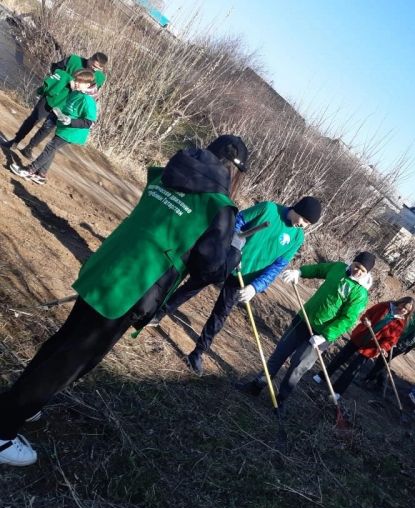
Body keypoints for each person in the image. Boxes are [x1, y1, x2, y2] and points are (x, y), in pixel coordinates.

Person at [0, 134, 248, 467]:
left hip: (109, 265)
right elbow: (209, 269)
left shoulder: (169, 173)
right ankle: (4, 432)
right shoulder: (218, 206)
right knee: (73, 359)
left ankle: (20, 402)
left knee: (66, 342)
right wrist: (233, 252)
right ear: (235, 172)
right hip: (135, 284)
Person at [147, 196, 322, 376]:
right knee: (192, 287)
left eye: (308, 224)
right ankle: (158, 314)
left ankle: (198, 353)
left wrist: (255, 287)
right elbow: (235, 222)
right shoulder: (268, 209)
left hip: (244, 277)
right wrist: (235, 249)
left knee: (220, 314)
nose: (304, 225)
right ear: (298, 209)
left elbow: (277, 266)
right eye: (305, 219)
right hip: (225, 260)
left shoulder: (297, 238)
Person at [241, 252, 375, 408]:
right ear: (353, 262)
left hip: (321, 335)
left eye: (363, 271)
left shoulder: (360, 293)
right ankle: (257, 385)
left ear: (367, 273)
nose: (357, 271)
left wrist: (325, 335)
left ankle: (281, 400)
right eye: (357, 266)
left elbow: (347, 319)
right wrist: (299, 272)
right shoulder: (338, 268)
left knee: (298, 366)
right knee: (280, 353)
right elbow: (318, 270)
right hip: (303, 320)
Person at [1, 52, 107, 156]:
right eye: (94, 65)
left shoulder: (100, 77)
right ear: (91, 59)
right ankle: (15, 141)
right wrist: (68, 78)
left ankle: (29, 148)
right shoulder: (74, 60)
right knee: (34, 119)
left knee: (47, 127)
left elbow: (92, 95)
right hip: (53, 95)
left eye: (98, 68)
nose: (94, 69)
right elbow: (55, 69)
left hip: (68, 105)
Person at [10, 68, 98, 185]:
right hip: (63, 128)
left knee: (50, 147)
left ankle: (29, 170)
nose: (76, 83)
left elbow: (89, 122)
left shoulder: (88, 101)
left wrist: (70, 121)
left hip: (73, 132)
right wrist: (58, 114)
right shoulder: (75, 92)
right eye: (76, 80)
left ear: (87, 85)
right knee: (52, 148)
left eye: (79, 82)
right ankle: (41, 175)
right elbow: (67, 109)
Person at [315, 296, 414, 399]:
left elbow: (391, 340)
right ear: (400, 302)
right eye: (403, 306)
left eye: (407, 310)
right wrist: (366, 320)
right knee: (340, 358)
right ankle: (322, 376)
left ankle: (337, 391)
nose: (403, 310)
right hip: (361, 336)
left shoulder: (400, 324)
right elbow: (368, 314)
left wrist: (383, 347)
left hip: (371, 347)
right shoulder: (385, 306)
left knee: (353, 370)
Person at [362, 296, 415, 387]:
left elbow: (413, 339)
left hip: (399, 345)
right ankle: (379, 383)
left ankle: (369, 380)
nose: (414, 309)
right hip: (393, 338)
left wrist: (398, 345)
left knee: (382, 361)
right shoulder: (412, 314)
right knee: (382, 361)